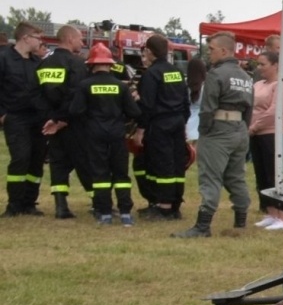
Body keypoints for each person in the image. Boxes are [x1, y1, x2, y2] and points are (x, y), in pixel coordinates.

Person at [174, 33, 254, 239]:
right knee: (236, 176)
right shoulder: (246, 77)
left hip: (218, 129)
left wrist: (204, 132)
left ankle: (202, 226)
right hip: (239, 129)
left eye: (211, 49)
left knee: (210, 176)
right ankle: (240, 220)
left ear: (224, 51)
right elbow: (249, 109)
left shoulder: (216, 74)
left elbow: (208, 108)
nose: (208, 53)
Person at [56, 43, 140, 226]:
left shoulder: (84, 85)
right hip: (117, 134)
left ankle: (104, 213)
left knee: (100, 173)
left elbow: (75, 111)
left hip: (94, 135)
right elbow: (134, 112)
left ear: (91, 64)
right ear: (110, 64)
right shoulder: (121, 86)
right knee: (121, 174)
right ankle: (126, 213)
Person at [134, 33, 191, 221]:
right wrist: (183, 123)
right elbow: (185, 101)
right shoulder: (176, 71)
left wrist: (140, 129)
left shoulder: (151, 74)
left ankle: (163, 207)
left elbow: (147, 105)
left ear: (149, 52)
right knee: (177, 164)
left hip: (159, 124)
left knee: (162, 164)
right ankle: (174, 205)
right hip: (177, 122)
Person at [36, 24, 90, 219]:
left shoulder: (44, 63)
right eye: (80, 39)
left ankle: (61, 206)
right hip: (72, 123)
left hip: (50, 124)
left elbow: (39, 94)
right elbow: (78, 96)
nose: (82, 43)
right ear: (69, 39)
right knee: (85, 161)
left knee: (57, 163)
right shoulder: (76, 64)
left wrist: (51, 118)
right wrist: (63, 119)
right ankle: (99, 203)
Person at [1, 22, 48, 216]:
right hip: (15, 117)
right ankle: (14, 204)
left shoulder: (37, 63)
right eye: (38, 38)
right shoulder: (4, 59)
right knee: (20, 159)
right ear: (26, 38)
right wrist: (2, 114)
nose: (41, 42)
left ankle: (29, 202)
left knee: (36, 160)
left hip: (37, 118)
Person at [248, 50, 283, 230]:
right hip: (257, 134)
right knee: (262, 175)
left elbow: (273, 111)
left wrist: (253, 127)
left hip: (274, 133)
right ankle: (271, 213)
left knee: (274, 174)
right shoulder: (258, 84)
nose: (259, 68)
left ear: (275, 65)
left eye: (263, 64)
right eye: (258, 64)